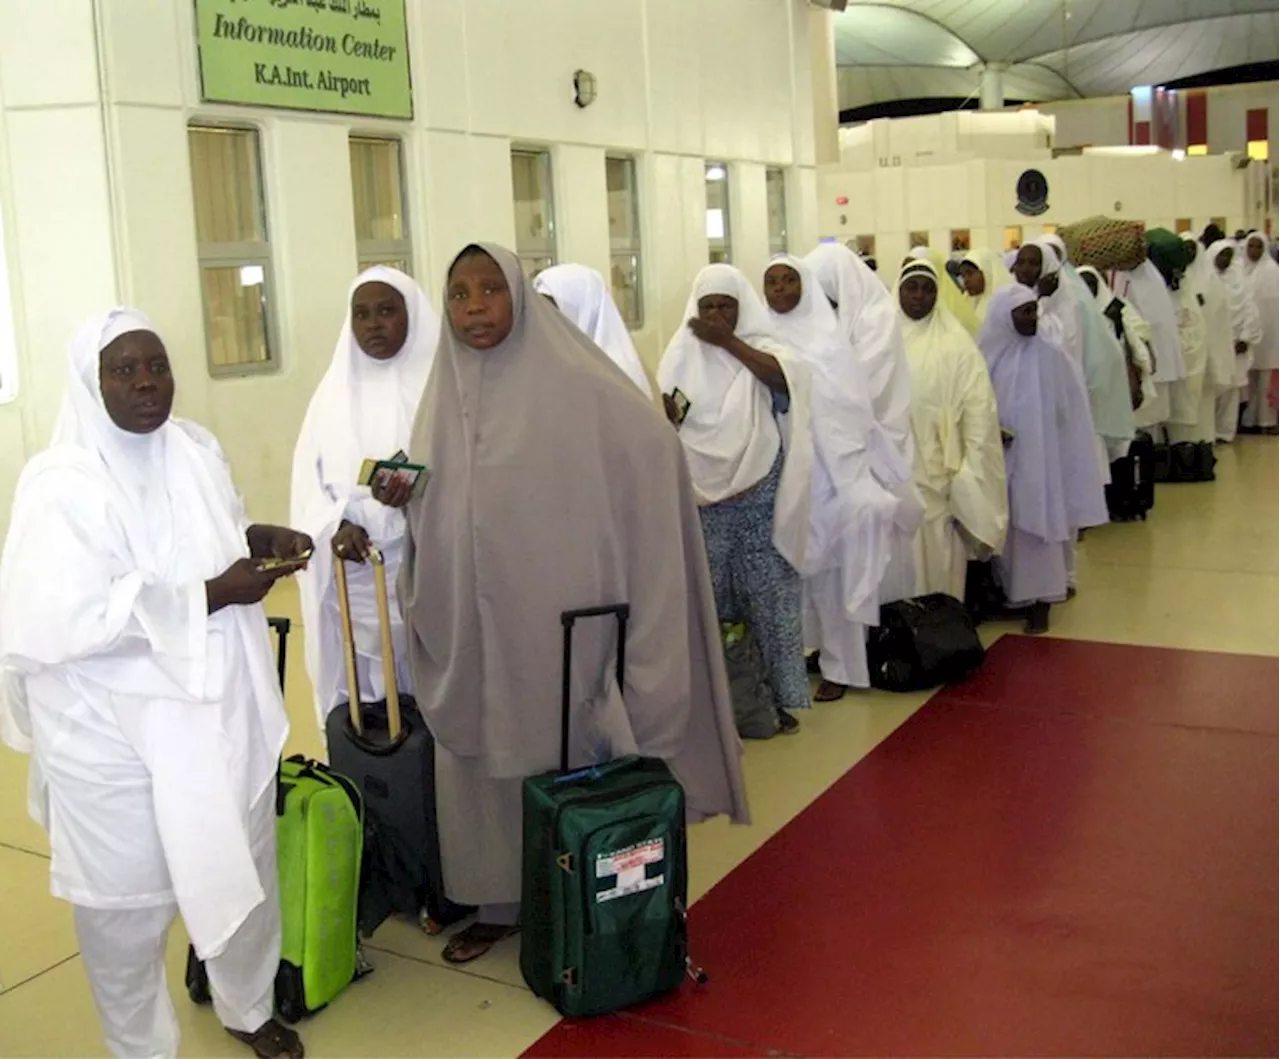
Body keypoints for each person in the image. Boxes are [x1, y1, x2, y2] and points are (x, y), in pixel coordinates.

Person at [400, 244, 749, 965]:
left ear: (519, 295)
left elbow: (651, 447)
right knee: (484, 753)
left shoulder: (574, 380)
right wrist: (405, 499)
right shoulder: (441, 391)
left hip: (559, 616)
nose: (475, 308)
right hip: (478, 618)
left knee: (554, 748)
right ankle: (498, 900)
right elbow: (436, 499)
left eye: (491, 289)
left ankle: (580, 881)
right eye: (460, 293)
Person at [0, 310, 312, 1059]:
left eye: (158, 366)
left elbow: (214, 533)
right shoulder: (58, 484)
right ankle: (139, 1043)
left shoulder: (194, 449)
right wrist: (212, 593)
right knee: (126, 904)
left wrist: (257, 539)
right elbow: (72, 614)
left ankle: (247, 1002)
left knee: (241, 859)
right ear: (92, 381)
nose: (147, 383)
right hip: (106, 729)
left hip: (212, 712)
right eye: (125, 370)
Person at [659, 263, 815, 722]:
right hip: (701, 499)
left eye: (726, 305)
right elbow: (665, 410)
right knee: (710, 601)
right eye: (707, 306)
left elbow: (786, 382)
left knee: (768, 600)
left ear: (742, 307)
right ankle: (724, 702)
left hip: (758, 491)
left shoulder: (765, 348)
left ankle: (779, 699)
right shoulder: (679, 353)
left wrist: (728, 343)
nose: (716, 315)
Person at [291, 267, 438, 735]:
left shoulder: (439, 388)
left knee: (427, 684)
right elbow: (307, 485)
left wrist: (416, 497)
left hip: (424, 563)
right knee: (364, 690)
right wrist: (337, 525)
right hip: (353, 573)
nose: (374, 324)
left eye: (386, 311)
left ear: (411, 316)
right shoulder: (331, 395)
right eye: (362, 314)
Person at [762, 255, 907, 701]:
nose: (782, 289)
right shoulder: (761, 335)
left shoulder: (829, 344)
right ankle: (815, 649)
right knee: (800, 567)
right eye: (773, 281)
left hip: (831, 469)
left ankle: (843, 668)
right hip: (786, 468)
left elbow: (851, 409)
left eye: (791, 281)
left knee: (833, 568)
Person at [978, 287, 1109, 635]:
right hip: (999, 457)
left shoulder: (1051, 356)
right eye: (1023, 312)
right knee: (1006, 526)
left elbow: (1070, 412)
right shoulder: (988, 355)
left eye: (1033, 311)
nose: (1031, 318)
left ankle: (1041, 601)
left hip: (1041, 460)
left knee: (1039, 526)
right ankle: (1009, 596)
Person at [805, 242, 919, 603]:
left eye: (829, 300)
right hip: (828, 465)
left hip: (878, 461)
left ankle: (882, 644)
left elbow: (862, 397)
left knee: (877, 561)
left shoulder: (876, 323)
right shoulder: (818, 328)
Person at [895, 258, 1008, 599]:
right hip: (893, 472)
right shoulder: (878, 342)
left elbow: (979, 413)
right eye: (911, 287)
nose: (919, 296)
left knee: (941, 560)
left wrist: (971, 473)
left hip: (942, 472)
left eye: (928, 288)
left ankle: (943, 637)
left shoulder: (957, 345)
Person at [533, 263, 653, 397]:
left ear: (583, 311)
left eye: (553, 311)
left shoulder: (622, 377)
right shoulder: (549, 362)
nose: (545, 321)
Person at [1208, 239, 1263, 442]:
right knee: (1213, 388)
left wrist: (1245, 338)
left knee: (1231, 390)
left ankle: (1225, 431)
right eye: (1221, 255)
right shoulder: (1205, 279)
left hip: (1236, 344)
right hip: (1214, 344)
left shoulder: (1239, 279)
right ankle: (1209, 431)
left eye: (1228, 256)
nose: (1224, 259)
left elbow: (1250, 310)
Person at [1241, 232, 1280, 434]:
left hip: (1271, 335)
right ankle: (1248, 421)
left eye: (1258, 247)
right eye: (1251, 247)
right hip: (1248, 335)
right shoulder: (1240, 270)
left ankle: (1267, 422)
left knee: (1266, 380)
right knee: (1248, 380)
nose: (1254, 251)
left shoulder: (1273, 271)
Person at [958, 248, 1012, 323]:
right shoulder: (966, 302)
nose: (966, 280)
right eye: (963, 275)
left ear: (987, 272)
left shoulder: (1007, 305)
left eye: (970, 273)